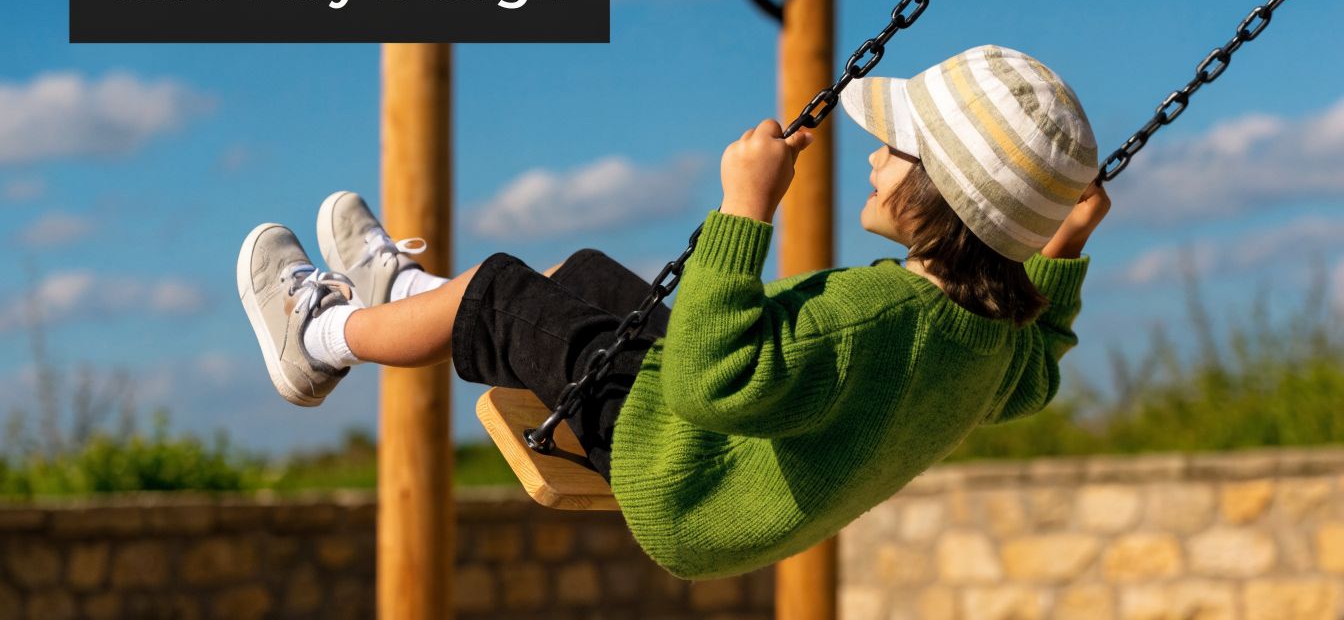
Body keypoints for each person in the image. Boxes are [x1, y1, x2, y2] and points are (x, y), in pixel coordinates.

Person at [237, 44, 1111, 580]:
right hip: (728, 467)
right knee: (581, 275)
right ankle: (404, 299)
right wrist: (1062, 252)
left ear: (941, 195)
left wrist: (745, 210)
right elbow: (1037, 373)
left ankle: (319, 339)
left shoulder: (870, 314)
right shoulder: (994, 342)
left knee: (500, 293)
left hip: (684, 472)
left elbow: (710, 381)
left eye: (897, 149)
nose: (876, 157)